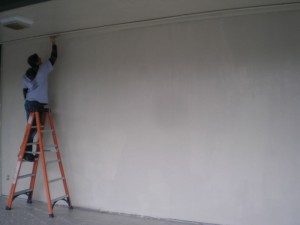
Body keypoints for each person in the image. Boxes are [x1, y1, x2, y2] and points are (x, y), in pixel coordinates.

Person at [22, 36, 57, 161]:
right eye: (39, 58)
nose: (41, 59)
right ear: (37, 62)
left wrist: (30, 101)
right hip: (37, 104)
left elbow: (25, 92)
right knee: (33, 129)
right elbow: (53, 58)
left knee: (32, 129)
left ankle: (27, 153)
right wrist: (53, 43)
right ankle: (26, 153)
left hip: (30, 103)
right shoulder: (43, 68)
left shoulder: (26, 75)